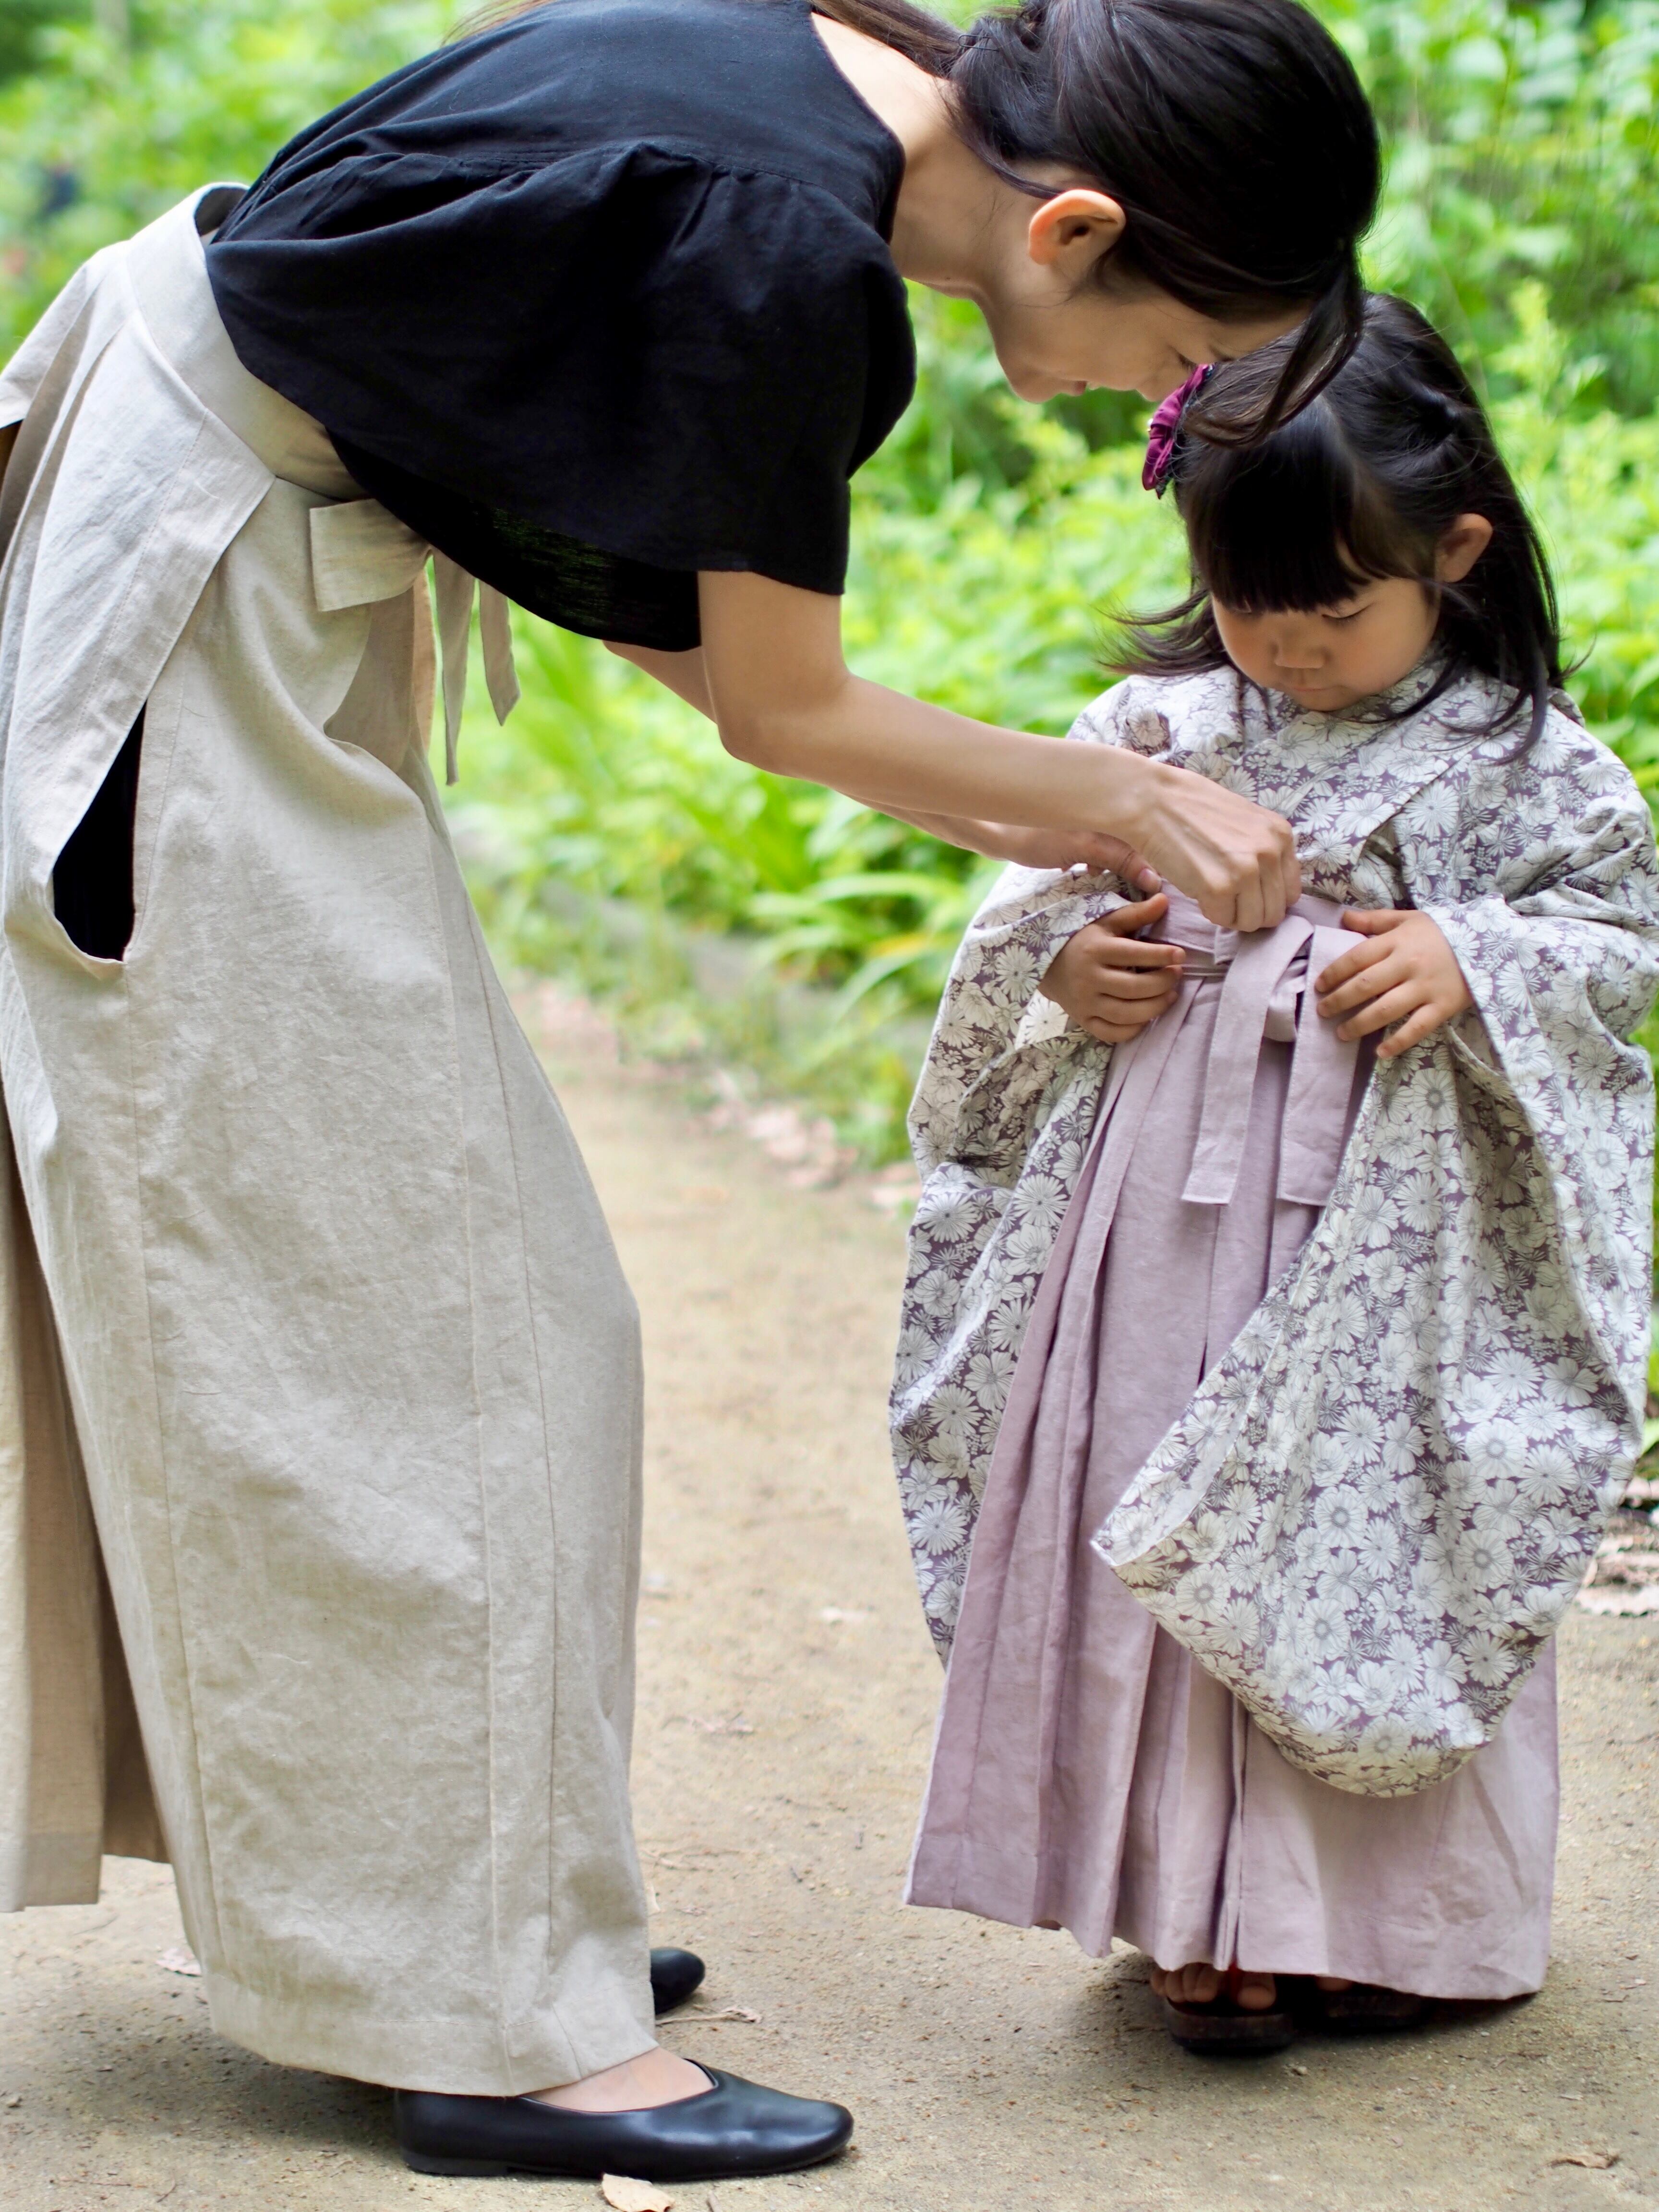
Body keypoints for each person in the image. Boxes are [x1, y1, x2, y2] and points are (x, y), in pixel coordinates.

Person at [0, 0, 1380, 2180]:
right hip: (190, 607)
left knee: (485, 1320)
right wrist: (1125, 803)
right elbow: (782, 710)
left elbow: (666, 602)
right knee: (417, 1329)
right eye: (1181, 352)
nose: (1163, 405)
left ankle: (455, 1917)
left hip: (220, 524)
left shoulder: (823, 82)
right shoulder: (791, 255)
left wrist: (1067, 806)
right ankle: (475, 2011)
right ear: (1079, 225)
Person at [891, 296, 1659, 2055]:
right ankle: (1189, 1906)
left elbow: (1619, 941)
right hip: (1158, 1221)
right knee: (1166, 1511)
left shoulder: (1538, 766)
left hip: (1399, 1244)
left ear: (1453, 553)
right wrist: (1079, 971)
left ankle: (1367, 1922)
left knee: (1360, 1518)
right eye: (1249, 603)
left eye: (1333, 609)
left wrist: (1476, 956)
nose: (1286, 651)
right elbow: (1045, 908)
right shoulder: (1152, 730)